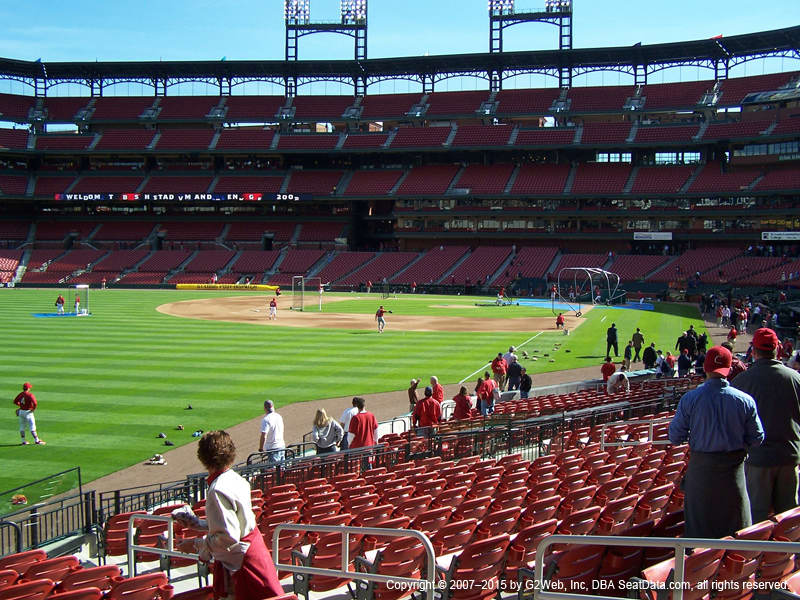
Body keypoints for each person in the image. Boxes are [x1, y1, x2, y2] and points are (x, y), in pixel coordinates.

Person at [668, 346, 764, 538]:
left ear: (705, 367)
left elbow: (675, 436)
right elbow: (757, 438)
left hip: (701, 474)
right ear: (729, 369)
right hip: (733, 474)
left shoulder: (690, 399)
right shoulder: (745, 400)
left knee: (699, 535)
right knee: (736, 533)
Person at [176, 430, 283, 600]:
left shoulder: (217, 489)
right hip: (251, 554)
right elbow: (233, 525)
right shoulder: (236, 479)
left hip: (241, 564)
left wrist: (195, 545)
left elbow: (228, 537)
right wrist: (196, 524)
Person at [732, 328, 800, 523]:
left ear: (754, 351)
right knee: (788, 521)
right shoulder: (795, 378)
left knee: (757, 521)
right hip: (789, 457)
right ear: (777, 349)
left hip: (758, 460)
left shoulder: (741, 381)